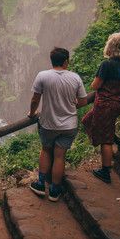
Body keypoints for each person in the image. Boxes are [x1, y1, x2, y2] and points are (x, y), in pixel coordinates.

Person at [28, 47, 88, 201]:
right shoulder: (75, 78)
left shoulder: (43, 76)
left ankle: (41, 184)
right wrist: (71, 105)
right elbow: (83, 101)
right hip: (69, 125)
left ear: (52, 61)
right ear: (66, 61)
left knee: (46, 151)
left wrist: (32, 113)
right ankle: (55, 191)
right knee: (60, 156)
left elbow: (35, 99)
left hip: (48, 124)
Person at [82, 32, 120, 184]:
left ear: (110, 47)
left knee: (105, 139)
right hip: (119, 104)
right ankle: (119, 143)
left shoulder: (107, 64)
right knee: (87, 120)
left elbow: (95, 85)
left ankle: (105, 171)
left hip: (104, 105)